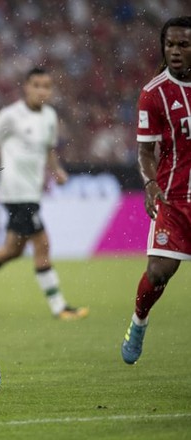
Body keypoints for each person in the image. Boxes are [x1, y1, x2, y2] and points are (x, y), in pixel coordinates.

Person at [0, 67, 89, 320]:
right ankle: (59, 307)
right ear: (26, 87)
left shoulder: (50, 116)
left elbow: (48, 151)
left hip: (32, 193)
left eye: (46, 86)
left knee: (12, 250)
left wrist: (57, 171)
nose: (42, 90)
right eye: (36, 85)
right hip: (16, 193)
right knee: (43, 244)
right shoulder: (10, 116)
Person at [121, 16, 191, 365]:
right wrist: (150, 183)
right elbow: (146, 151)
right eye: (170, 45)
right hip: (175, 200)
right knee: (158, 272)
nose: (175, 51)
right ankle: (139, 322)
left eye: (184, 45)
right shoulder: (154, 93)